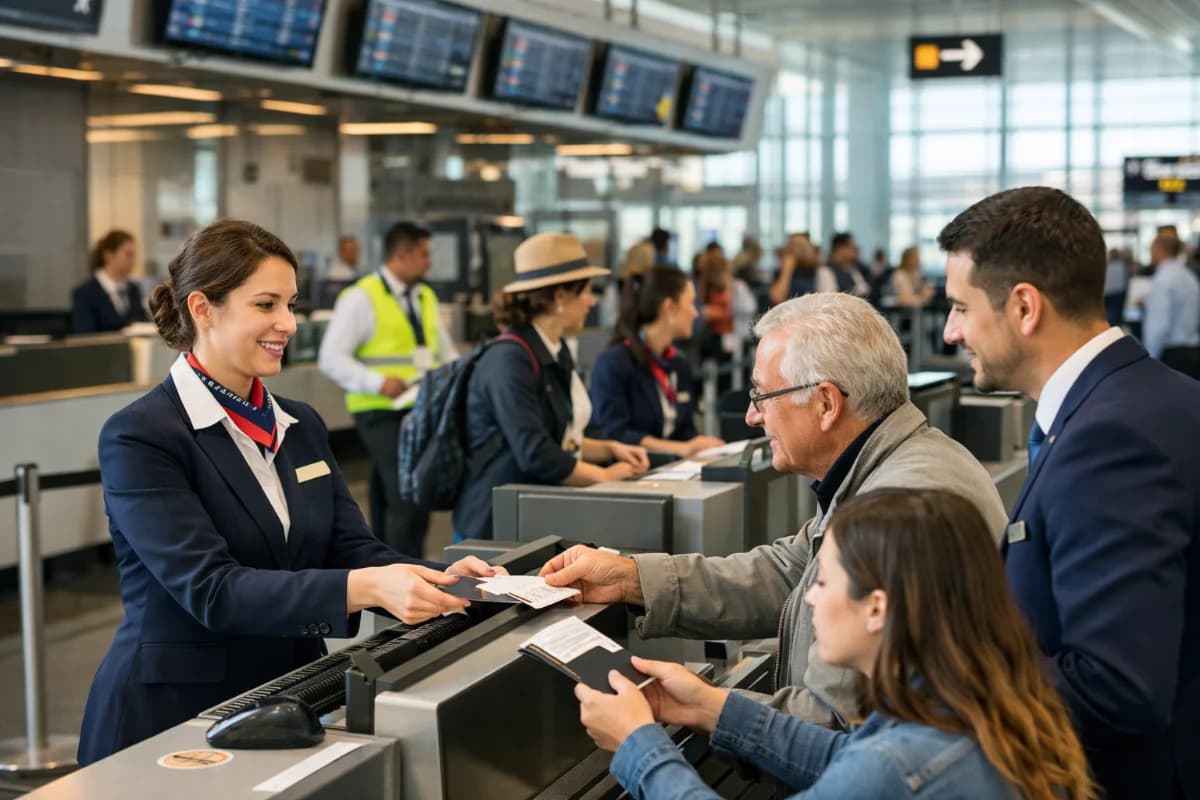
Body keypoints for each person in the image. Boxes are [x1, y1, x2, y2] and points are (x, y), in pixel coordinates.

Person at [78, 220, 499, 765]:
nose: (288, 324)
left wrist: (442, 579)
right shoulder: (142, 435)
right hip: (172, 716)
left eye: (291, 305)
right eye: (266, 305)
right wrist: (369, 586)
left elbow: (350, 548)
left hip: (287, 699)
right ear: (203, 309)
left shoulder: (299, 424)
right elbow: (211, 589)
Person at [540, 293, 1007, 727]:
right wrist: (631, 579)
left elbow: (829, 722)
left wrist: (691, 711)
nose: (751, 416)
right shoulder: (887, 468)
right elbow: (790, 572)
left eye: (762, 396)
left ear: (826, 403)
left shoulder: (899, 508)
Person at [576, 489, 1095, 800]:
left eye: (823, 581)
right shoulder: (968, 705)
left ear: (877, 607)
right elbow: (847, 755)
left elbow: (872, 771)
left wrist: (639, 746)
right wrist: (710, 707)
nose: (809, 599)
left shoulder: (900, 764)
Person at [939, 185, 1200, 800]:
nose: (951, 332)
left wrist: (950, 671)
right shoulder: (1157, 396)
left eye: (960, 308)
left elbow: (1118, 685)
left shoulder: (1110, 439)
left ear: (1024, 307)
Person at [452, 233, 650, 542]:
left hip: (533, 515)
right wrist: (603, 475)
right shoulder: (508, 359)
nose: (592, 301)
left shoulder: (554, 349)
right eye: (586, 291)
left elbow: (558, 437)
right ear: (559, 297)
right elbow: (534, 450)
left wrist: (610, 449)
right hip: (493, 526)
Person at [318, 222, 457, 558]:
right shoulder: (361, 297)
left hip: (419, 407)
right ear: (402, 254)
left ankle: (382, 565)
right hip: (379, 409)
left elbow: (445, 353)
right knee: (408, 494)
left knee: (387, 492)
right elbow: (331, 357)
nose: (429, 263)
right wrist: (378, 383)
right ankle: (408, 569)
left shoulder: (424, 296)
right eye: (424, 254)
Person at [589, 265, 725, 458]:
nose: (696, 313)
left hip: (676, 469)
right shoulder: (613, 364)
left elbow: (685, 430)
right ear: (670, 308)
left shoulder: (678, 364)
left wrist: (702, 447)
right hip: (634, 470)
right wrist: (679, 449)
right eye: (691, 303)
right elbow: (616, 434)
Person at [1143, 233, 1200, 378]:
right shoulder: (1189, 275)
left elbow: (1158, 326)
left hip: (1173, 356)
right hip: (1193, 352)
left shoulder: (1163, 278)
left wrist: (1149, 360)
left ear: (1158, 249)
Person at [71, 229, 148, 333]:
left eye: (133, 256)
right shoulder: (85, 294)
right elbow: (85, 336)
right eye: (128, 255)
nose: (133, 261)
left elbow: (141, 323)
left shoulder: (134, 289)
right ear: (109, 256)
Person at [820, 232, 870, 297]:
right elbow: (830, 299)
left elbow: (864, 289)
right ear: (839, 248)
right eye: (851, 247)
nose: (854, 250)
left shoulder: (852, 267)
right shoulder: (825, 270)